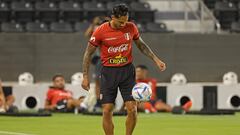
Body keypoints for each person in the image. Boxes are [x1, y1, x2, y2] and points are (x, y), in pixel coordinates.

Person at [81, 4, 166, 135]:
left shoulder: (131, 27)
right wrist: (85, 76)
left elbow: (141, 45)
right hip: (108, 73)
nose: (123, 24)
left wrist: (156, 59)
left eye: (125, 21)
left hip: (127, 72)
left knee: (132, 109)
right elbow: (88, 54)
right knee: (107, 109)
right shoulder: (100, 31)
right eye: (121, 22)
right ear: (112, 17)